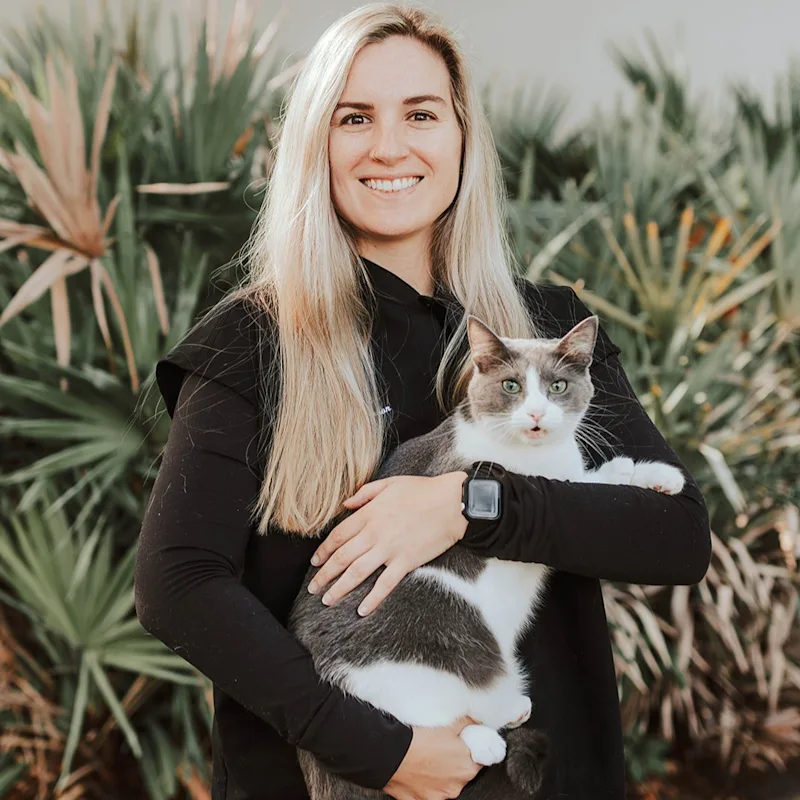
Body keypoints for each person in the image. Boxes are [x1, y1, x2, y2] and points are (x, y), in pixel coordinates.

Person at [134, 4, 712, 800]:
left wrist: (469, 506)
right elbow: (177, 583)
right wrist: (378, 750)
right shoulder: (255, 338)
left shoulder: (544, 329)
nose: (390, 147)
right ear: (316, 142)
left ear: (462, 137)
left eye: (421, 114)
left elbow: (678, 537)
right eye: (355, 117)